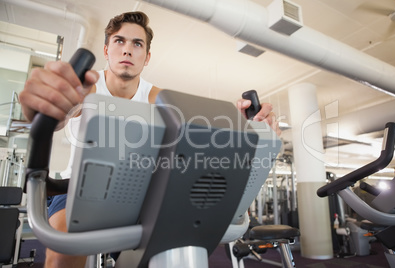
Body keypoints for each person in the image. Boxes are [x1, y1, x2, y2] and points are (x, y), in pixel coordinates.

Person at [19, 11, 281, 268]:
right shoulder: (85, 87)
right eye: (119, 41)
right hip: (76, 186)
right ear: (107, 50)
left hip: (133, 191)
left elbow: (200, 124)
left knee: (171, 244)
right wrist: (50, 107)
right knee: (65, 252)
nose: (127, 50)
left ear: (146, 58)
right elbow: (65, 111)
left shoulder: (158, 97)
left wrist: (244, 124)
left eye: (137, 44)